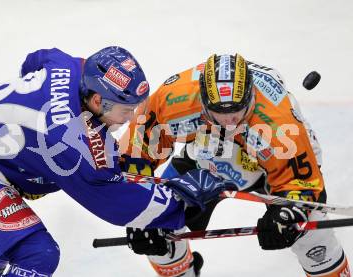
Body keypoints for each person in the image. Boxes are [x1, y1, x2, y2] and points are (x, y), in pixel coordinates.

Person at [0, 47, 229, 276]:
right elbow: (116, 202)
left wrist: (24, 151)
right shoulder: (75, 143)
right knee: (36, 253)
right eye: (125, 109)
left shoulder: (71, 67)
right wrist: (182, 203)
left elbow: (37, 59)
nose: (132, 117)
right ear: (97, 101)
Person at [121, 53, 351, 277]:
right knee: (155, 218)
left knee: (312, 238)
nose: (229, 121)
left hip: (275, 160)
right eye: (219, 112)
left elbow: (303, 182)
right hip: (209, 153)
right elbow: (135, 153)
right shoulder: (172, 100)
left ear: (251, 96)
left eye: (236, 111)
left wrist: (290, 213)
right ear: (202, 99)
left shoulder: (279, 124)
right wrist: (138, 203)